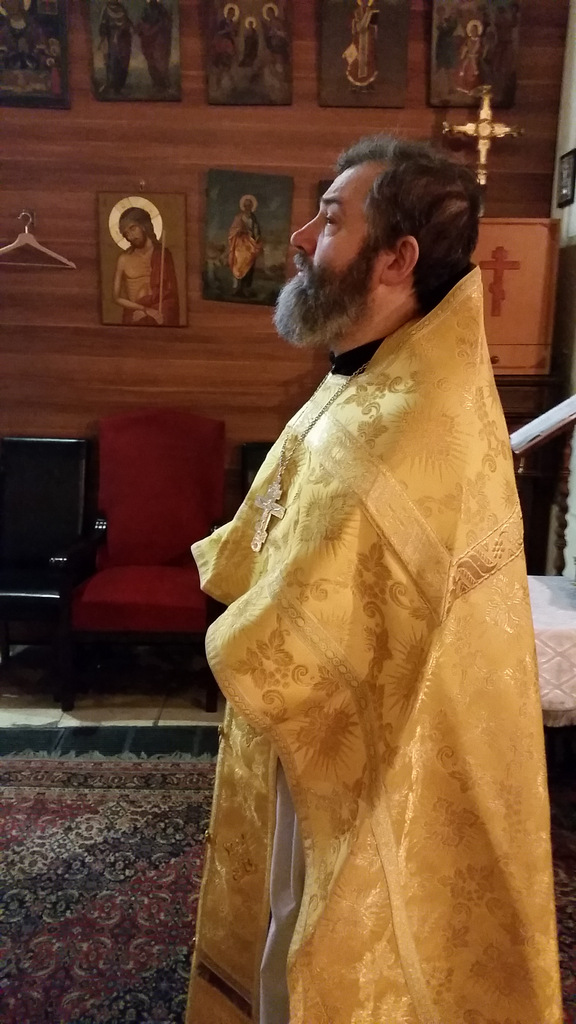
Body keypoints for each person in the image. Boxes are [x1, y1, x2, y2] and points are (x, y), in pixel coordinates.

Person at [186, 136, 562, 1024]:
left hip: (368, 749)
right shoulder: (366, 378)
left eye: (329, 219)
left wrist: (247, 637)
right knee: (286, 910)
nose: (299, 240)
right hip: (314, 724)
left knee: (322, 922)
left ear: (398, 259)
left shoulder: (420, 414)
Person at [113, 206, 179, 325]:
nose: (130, 236)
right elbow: (116, 297)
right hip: (136, 311)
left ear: (143, 225)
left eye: (133, 228)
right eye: (126, 234)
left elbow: (171, 294)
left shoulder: (162, 254)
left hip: (160, 311)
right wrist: (144, 309)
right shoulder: (124, 259)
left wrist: (160, 313)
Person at [228, 194, 262, 297]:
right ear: (243, 206)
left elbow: (256, 230)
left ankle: (247, 288)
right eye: (246, 205)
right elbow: (233, 230)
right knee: (239, 265)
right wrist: (240, 230)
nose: (248, 207)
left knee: (250, 266)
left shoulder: (253, 218)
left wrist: (256, 237)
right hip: (240, 245)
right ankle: (238, 288)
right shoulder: (239, 217)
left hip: (250, 244)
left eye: (249, 205)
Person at [135, 0, 172, 92]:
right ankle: (157, 82)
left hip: (159, 40)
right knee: (152, 61)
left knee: (160, 60)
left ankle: (162, 83)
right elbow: (141, 23)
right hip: (150, 41)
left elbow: (166, 22)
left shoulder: (161, 9)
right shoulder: (146, 10)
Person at [98, 0, 132, 96]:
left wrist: (126, 28)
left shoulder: (122, 8)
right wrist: (104, 37)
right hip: (112, 40)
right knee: (112, 62)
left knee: (123, 63)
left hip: (123, 41)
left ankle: (120, 86)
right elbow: (103, 25)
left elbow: (127, 22)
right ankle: (112, 85)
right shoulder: (106, 9)